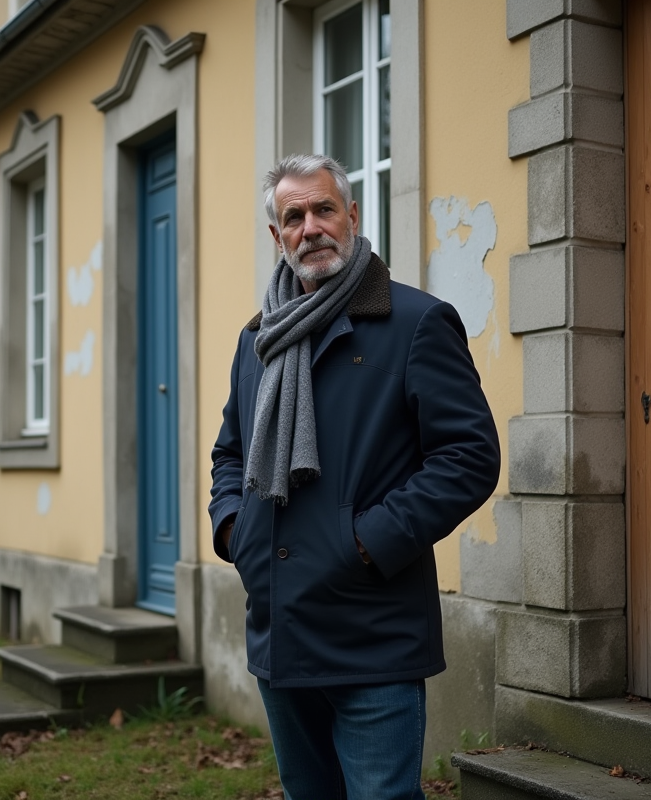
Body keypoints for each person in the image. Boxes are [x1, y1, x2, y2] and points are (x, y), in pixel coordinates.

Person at [209, 154, 501, 800]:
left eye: (323, 209)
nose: (310, 227)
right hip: (280, 633)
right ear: (277, 236)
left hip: (373, 636)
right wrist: (236, 532)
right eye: (293, 217)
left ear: (353, 217)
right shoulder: (258, 339)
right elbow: (229, 453)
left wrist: (365, 542)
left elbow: (470, 456)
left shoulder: (415, 323)